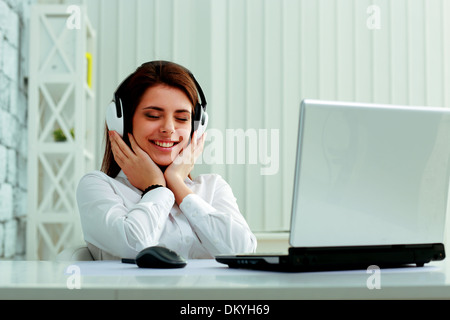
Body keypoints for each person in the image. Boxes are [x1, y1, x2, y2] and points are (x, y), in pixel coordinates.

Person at [76, 60, 257, 260]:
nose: (168, 128)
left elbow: (244, 250)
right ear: (122, 122)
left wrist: (178, 185)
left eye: (181, 119)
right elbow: (133, 246)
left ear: (196, 128)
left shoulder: (213, 188)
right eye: (153, 116)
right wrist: (156, 189)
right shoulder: (98, 186)